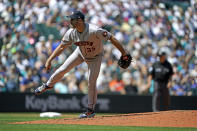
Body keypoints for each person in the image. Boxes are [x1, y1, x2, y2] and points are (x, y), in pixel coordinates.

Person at [34, 11, 130, 118]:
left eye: (72, 19)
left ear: (79, 20)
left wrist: (124, 53)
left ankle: (90, 110)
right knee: (62, 69)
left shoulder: (94, 30)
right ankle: (48, 85)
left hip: (95, 57)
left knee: (91, 82)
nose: (70, 21)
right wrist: (49, 60)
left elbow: (112, 38)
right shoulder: (71, 32)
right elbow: (61, 47)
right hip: (80, 53)